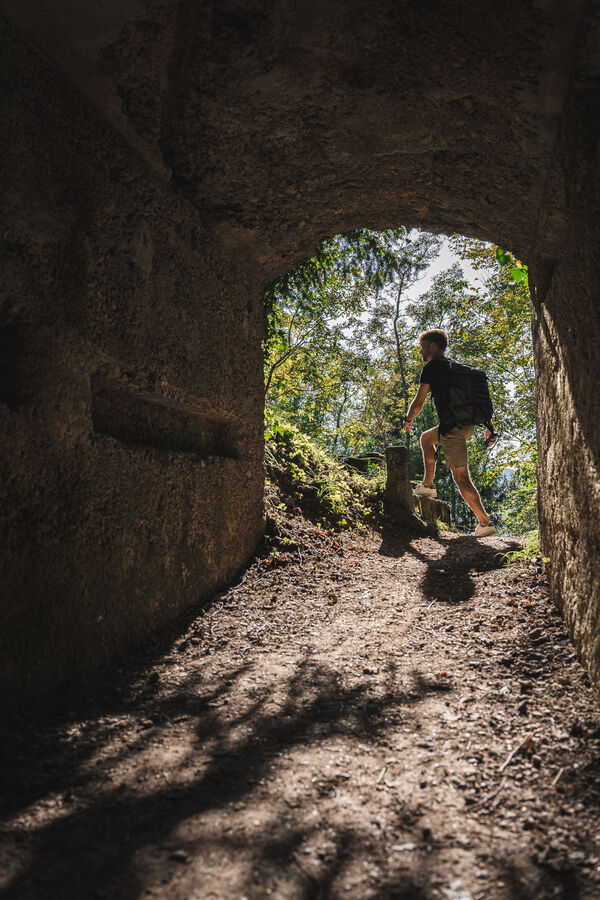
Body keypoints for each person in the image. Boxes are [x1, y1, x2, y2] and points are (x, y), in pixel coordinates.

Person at [403, 328, 497, 537]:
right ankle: (428, 485)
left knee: (461, 478)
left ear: (434, 347)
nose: (421, 352)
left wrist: (408, 419)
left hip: (453, 429)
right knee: (427, 439)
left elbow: (418, 402)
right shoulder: (454, 367)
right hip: (464, 426)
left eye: (423, 347)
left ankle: (486, 524)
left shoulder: (432, 368)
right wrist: (489, 426)